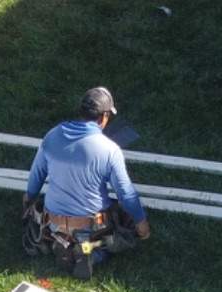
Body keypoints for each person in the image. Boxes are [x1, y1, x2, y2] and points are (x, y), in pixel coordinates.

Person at [21, 87, 150, 278]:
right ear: (104, 117)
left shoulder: (52, 136)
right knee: (125, 224)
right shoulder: (109, 150)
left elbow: (36, 177)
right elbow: (126, 194)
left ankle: (61, 244)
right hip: (93, 226)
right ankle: (93, 252)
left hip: (53, 223)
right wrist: (141, 223)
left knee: (46, 213)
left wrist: (28, 199)